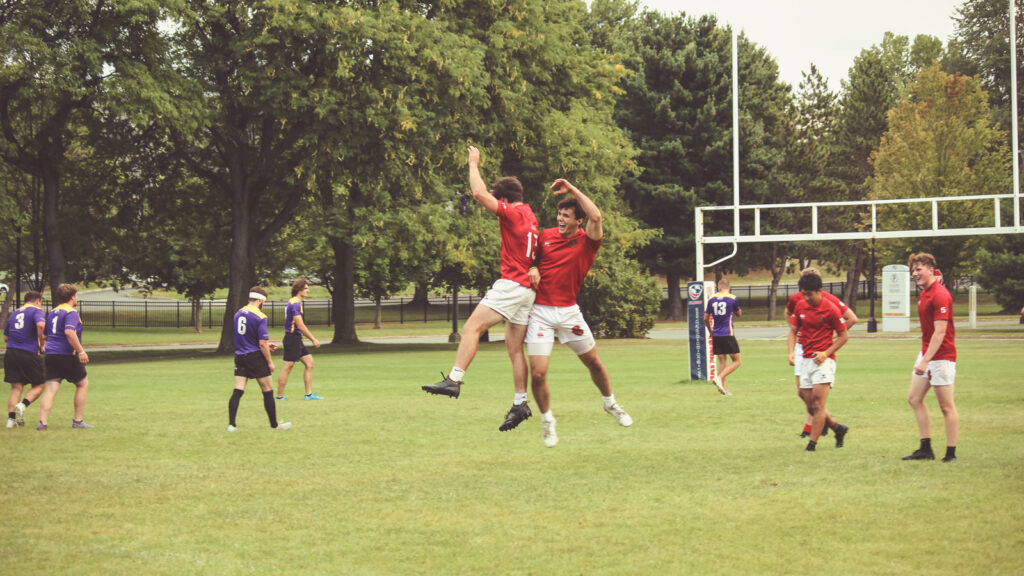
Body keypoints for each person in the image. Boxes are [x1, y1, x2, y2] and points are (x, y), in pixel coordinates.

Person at [423, 146, 540, 432]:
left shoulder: (511, 214)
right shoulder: (531, 216)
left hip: (511, 284)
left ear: (504, 199)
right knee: (514, 350)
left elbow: (479, 194)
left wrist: (473, 164)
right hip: (526, 291)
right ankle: (520, 403)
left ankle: (454, 380)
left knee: (471, 328)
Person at [524, 180, 632, 448]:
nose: (560, 219)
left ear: (578, 222)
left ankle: (610, 404)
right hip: (541, 313)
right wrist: (533, 268)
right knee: (537, 374)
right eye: (559, 214)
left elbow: (596, 215)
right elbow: (528, 260)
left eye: (566, 216)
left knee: (594, 362)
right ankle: (548, 420)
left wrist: (572, 189)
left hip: (570, 313)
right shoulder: (545, 236)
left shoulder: (588, 242)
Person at [785, 267, 858, 437]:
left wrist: (830, 335)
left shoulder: (828, 300)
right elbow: (788, 314)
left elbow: (852, 318)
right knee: (803, 394)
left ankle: (810, 428)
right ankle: (830, 424)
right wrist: (796, 330)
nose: (806, 296)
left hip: (820, 351)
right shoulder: (798, 299)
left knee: (816, 399)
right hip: (801, 349)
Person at [902, 253, 959, 463]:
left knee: (946, 406)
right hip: (926, 354)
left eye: (919, 269)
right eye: (914, 270)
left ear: (931, 270)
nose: (916, 273)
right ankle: (925, 449)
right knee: (914, 398)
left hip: (942, 357)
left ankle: (951, 453)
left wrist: (925, 360)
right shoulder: (925, 294)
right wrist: (924, 357)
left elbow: (940, 332)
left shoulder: (940, 295)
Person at [227, 287, 290, 431]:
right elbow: (261, 343)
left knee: (238, 390)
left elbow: (245, 337)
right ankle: (274, 425)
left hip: (240, 356)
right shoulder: (260, 316)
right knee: (267, 390)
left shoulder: (238, 314)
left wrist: (267, 345)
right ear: (261, 300)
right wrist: (269, 361)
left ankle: (231, 425)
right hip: (255, 357)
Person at [37, 284, 92, 430]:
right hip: (67, 355)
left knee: (51, 389)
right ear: (73, 297)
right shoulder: (71, 312)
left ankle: (42, 423)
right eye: (77, 295)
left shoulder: (53, 312)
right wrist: (81, 351)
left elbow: (44, 335)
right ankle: (78, 421)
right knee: (82, 384)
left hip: (51, 355)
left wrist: (43, 346)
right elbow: (69, 332)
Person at [4, 291, 46, 428]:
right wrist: (41, 342)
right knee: (39, 384)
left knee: (16, 387)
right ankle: (22, 405)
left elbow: (5, 337)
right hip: (28, 352)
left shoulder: (15, 313)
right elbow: (40, 325)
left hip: (11, 352)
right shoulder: (36, 310)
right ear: (38, 300)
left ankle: (11, 421)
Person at [276, 278, 322, 401]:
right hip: (292, 339)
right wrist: (313, 339)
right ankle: (279, 396)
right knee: (287, 367)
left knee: (309, 363)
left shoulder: (295, 302)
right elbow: (300, 325)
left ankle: (308, 394)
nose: (308, 290)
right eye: (306, 288)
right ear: (299, 289)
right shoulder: (295, 303)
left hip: (296, 339)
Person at [704, 278, 742, 396]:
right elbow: (739, 314)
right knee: (737, 361)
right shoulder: (732, 298)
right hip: (727, 333)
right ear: (728, 287)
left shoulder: (711, 299)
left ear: (719, 287)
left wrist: (710, 331)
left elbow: (705, 318)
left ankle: (723, 390)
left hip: (716, 334)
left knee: (722, 361)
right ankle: (719, 378)